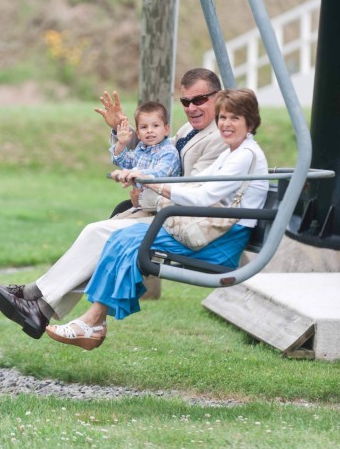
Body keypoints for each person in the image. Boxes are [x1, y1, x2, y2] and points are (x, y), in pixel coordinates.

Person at [0, 68, 227, 338]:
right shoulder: (189, 129)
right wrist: (122, 130)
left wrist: (145, 192)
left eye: (199, 100)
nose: (192, 108)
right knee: (96, 232)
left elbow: (194, 192)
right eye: (186, 102)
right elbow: (159, 152)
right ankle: (37, 305)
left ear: (219, 97)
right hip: (164, 211)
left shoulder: (219, 137)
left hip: (185, 221)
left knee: (99, 234)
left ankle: (35, 299)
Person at [44, 89, 268, 349]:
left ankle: (92, 321)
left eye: (235, 118)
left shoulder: (245, 156)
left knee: (128, 241)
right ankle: (93, 322)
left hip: (221, 243)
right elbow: (197, 185)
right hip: (213, 230)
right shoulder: (231, 153)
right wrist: (143, 178)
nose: (226, 125)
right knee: (121, 237)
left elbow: (204, 196)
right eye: (223, 118)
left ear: (250, 122)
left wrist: (154, 185)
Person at [110, 100, 180, 182]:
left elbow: (160, 173)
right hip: (143, 194)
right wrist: (121, 144)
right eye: (144, 127)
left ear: (166, 129)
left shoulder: (169, 152)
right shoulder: (141, 149)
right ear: (138, 133)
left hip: (162, 194)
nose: (149, 130)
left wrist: (132, 173)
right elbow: (122, 162)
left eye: (155, 126)